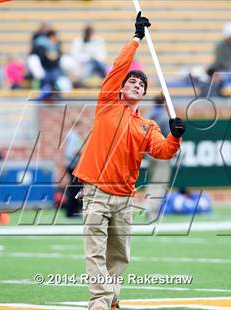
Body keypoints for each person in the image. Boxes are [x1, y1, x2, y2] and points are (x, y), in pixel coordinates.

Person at [72, 12, 185, 310]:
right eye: (132, 81)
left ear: (144, 94)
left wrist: (176, 136)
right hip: (96, 190)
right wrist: (136, 39)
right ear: (121, 88)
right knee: (94, 250)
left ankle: (112, 300)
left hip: (124, 197)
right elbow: (117, 68)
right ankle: (99, 299)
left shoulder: (147, 126)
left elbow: (163, 151)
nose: (136, 84)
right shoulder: (107, 105)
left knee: (120, 255)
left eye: (141, 84)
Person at [143, 94, 173, 221]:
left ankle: (149, 205)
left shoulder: (148, 116)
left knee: (153, 181)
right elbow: (169, 137)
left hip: (149, 154)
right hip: (161, 153)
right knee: (160, 183)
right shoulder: (165, 117)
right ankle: (152, 210)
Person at [63, 121, 85, 217]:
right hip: (73, 166)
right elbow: (72, 151)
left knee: (76, 188)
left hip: (73, 165)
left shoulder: (73, 136)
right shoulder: (73, 136)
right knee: (74, 188)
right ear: (77, 126)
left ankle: (74, 210)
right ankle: (71, 211)